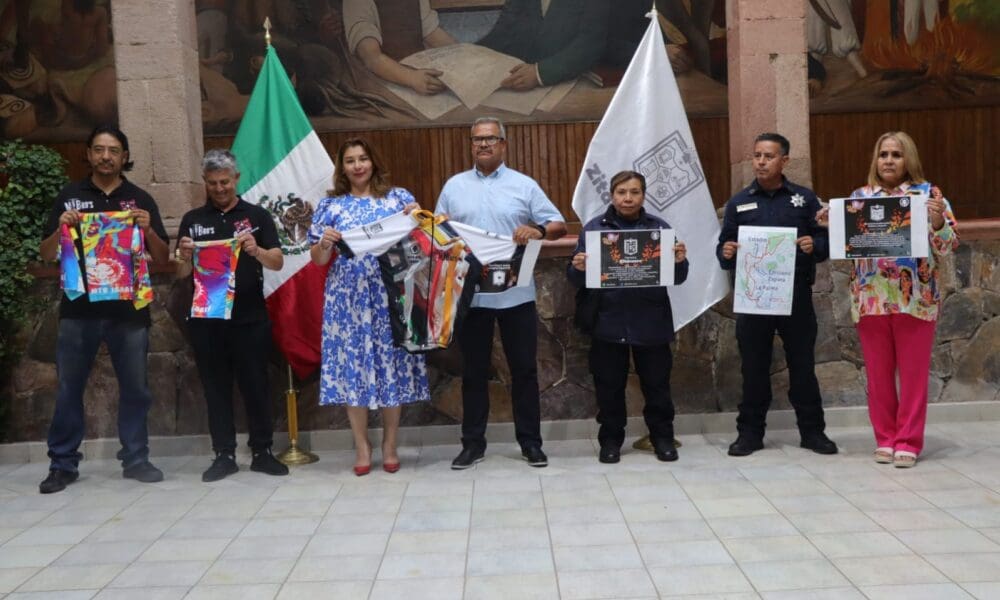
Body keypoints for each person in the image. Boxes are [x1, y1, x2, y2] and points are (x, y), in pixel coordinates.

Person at [37, 124, 170, 494]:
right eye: (99, 149)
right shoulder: (70, 197)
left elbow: (163, 257)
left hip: (129, 311)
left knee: (136, 388)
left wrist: (148, 230)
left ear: (124, 156)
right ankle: (62, 464)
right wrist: (60, 228)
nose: (106, 157)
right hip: (78, 310)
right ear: (89, 154)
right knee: (69, 388)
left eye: (113, 150)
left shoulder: (139, 199)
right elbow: (46, 253)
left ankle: (136, 459)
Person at [437, 116, 567, 469]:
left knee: (524, 370)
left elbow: (557, 224)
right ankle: (472, 445)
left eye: (490, 139)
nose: (483, 144)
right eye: (477, 139)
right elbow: (438, 232)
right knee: (474, 372)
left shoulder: (524, 185)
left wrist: (538, 230)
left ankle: (531, 443)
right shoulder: (454, 186)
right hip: (472, 296)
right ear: (471, 145)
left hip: (515, 294)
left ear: (503, 144)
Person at [826, 131, 957, 468]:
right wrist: (831, 223)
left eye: (896, 155)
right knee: (878, 376)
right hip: (871, 299)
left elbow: (948, 245)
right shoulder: (860, 197)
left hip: (916, 299)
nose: (888, 161)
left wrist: (938, 220)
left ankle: (908, 441)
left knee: (913, 376)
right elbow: (846, 247)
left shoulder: (929, 195)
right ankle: (885, 438)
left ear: (908, 159)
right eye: (883, 154)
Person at [309, 138, 429, 476]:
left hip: (392, 295)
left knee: (392, 365)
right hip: (348, 300)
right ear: (342, 167)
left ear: (373, 161)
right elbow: (318, 260)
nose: (358, 165)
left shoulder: (397, 199)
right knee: (354, 369)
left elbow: (421, 243)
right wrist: (324, 243)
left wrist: (417, 218)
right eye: (350, 160)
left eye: (363, 158)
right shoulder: (330, 206)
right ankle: (362, 446)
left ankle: (390, 444)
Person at [716, 132, 838, 457]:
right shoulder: (739, 203)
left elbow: (824, 242)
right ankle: (750, 434)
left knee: (803, 368)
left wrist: (814, 246)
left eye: (768, 156)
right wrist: (726, 251)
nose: (761, 162)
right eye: (757, 155)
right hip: (754, 298)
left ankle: (813, 433)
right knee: (753, 369)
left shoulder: (805, 199)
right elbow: (724, 247)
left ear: (784, 160)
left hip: (795, 296)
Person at [175, 149, 289, 482]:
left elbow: (278, 261)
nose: (220, 188)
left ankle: (262, 451)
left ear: (236, 179)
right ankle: (223, 454)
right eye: (213, 183)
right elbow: (181, 273)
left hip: (250, 317)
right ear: (205, 182)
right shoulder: (193, 220)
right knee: (215, 388)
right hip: (207, 320)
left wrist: (257, 250)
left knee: (256, 385)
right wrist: (182, 256)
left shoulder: (257, 216)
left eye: (225, 182)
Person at [567, 170, 689, 463]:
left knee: (657, 387)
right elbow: (575, 278)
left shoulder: (659, 229)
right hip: (608, 321)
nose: (628, 198)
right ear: (612, 195)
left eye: (634, 192)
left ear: (643, 195)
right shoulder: (594, 230)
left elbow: (678, 278)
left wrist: (680, 261)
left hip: (651, 320)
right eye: (621, 192)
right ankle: (610, 441)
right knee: (609, 389)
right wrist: (578, 267)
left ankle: (662, 438)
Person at [478, 0, 610, 90]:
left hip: (579, 78)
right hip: (526, 82)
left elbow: (590, 44)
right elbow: (504, 31)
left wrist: (539, 74)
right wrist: (473, 53)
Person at [343, 0, 457, 95]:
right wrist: (411, 78)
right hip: (381, 80)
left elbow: (431, 32)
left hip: (419, 73)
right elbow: (371, 57)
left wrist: (461, 51)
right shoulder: (356, 3)